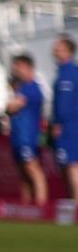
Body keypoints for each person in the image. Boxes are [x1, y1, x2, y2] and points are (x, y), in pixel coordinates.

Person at [6, 52, 48, 206]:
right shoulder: (21, 89)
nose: (15, 70)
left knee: (33, 170)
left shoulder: (32, 88)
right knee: (23, 174)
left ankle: (41, 205)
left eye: (18, 67)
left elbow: (12, 107)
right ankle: (27, 207)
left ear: (27, 67)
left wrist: (12, 104)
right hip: (18, 136)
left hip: (27, 136)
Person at [52, 34, 78, 203]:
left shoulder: (70, 73)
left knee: (72, 165)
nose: (55, 50)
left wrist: (60, 123)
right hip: (65, 127)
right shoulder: (61, 72)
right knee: (66, 166)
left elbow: (66, 105)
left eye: (59, 47)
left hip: (71, 127)